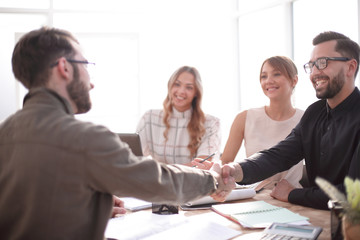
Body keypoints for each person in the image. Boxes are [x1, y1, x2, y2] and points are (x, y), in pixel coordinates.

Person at [0, 27, 235, 240]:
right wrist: (213, 180)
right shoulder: (85, 138)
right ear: (64, 68)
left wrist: (83, 206)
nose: (91, 82)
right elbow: (159, 181)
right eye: (85, 65)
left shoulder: (4, 132)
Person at [220, 31, 360, 210]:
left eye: (323, 63)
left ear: (350, 67)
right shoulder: (314, 113)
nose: (315, 72)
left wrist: (292, 193)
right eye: (312, 65)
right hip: (318, 217)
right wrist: (234, 170)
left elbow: (353, 196)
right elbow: (278, 155)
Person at [220, 56, 304, 189]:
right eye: (264, 76)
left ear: (294, 80)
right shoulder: (244, 118)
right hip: (254, 197)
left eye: (276, 74)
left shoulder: (306, 119)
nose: (269, 81)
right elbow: (226, 163)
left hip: (293, 197)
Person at [136, 66, 221, 167]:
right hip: (158, 181)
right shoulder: (149, 118)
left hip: (193, 181)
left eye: (189, 87)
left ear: (196, 93)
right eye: (177, 84)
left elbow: (203, 165)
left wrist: (162, 171)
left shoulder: (211, 123)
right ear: (170, 86)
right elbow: (133, 158)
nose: (181, 91)